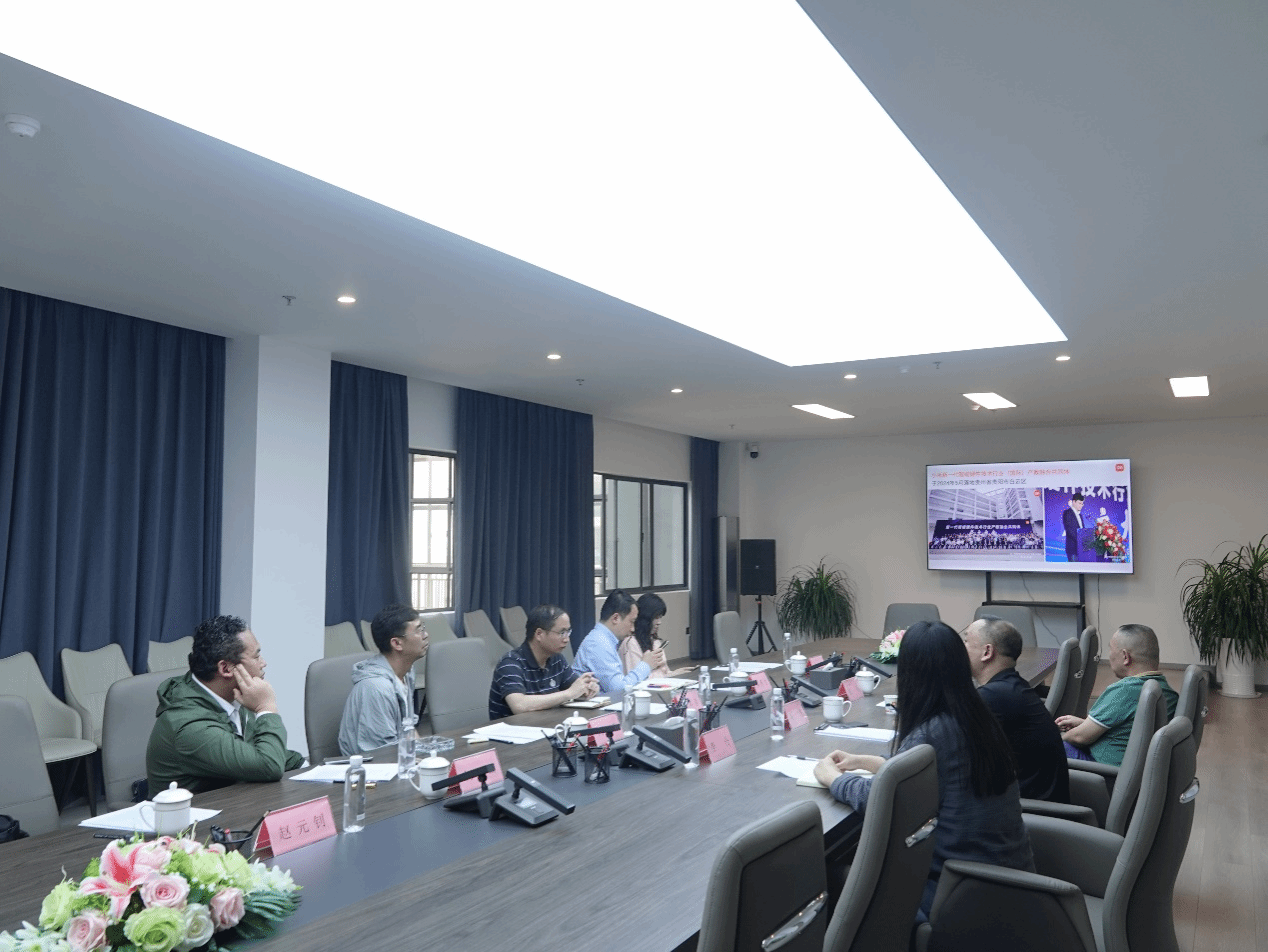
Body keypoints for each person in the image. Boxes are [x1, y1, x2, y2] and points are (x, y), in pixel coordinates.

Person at [814, 620, 1034, 921]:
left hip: (962, 894)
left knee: (830, 877)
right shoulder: (975, 714)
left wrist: (834, 779)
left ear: (910, 674)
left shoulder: (933, 732)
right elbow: (932, 773)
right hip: (1003, 880)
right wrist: (864, 761)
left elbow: (882, 798)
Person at [147, 615, 304, 794]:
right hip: (199, 812)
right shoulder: (189, 726)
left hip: (238, 803)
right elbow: (269, 765)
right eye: (256, 656)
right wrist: (266, 708)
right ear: (226, 669)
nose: (263, 663)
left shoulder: (233, 696)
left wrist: (307, 767)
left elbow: (266, 751)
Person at [962, 616, 1069, 802]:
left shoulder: (994, 697)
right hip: (1033, 802)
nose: (959, 649)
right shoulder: (1013, 687)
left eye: (966, 641)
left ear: (987, 652)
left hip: (1031, 812)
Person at [1056, 623, 1178, 766]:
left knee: (1047, 745)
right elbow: (1133, 730)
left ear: (1125, 656)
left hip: (1104, 771)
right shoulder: (1169, 693)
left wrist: (1057, 737)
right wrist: (1085, 724)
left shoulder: (1124, 690)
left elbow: (1079, 737)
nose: (1109, 655)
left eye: (1111, 649)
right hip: (1138, 769)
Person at [338, 605, 428, 755]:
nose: (425, 635)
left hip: (399, 758)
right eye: (418, 631)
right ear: (396, 643)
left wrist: (425, 756)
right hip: (376, 764)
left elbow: (409, 729)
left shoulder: (407, 673)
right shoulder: (376, 688)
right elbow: (382, 754)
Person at [488, 605, 601, 719]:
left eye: (568, 632)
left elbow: (575, 689)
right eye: (561, 633)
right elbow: (519, 705)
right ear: (539, 634)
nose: (567, 639)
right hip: (513, 728)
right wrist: (569, 694)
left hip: (546, 724)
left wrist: (587, 689)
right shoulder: (510, 663)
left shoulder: (557, 659)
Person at [573, 590, 664, 694]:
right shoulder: (598, 643)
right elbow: (618, 689)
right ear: (616, 618)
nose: (633, 629)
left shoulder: (604, 640)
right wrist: (646, 665)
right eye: (631, 622)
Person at [619, 592, 691, 679]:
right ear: (646, 618)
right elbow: (635, 680)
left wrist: (676, 673)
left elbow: (663, 673)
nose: (659, 622)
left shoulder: (655, 641)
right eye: (656, 617)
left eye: (660, 617)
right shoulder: (630, 643)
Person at [1063, 491, 1085, 561]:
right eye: (1079, 503)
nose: (1081, 505)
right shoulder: (1067, 513)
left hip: (1081, 549)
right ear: (1074, 502)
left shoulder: (1080, 515)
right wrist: (1080, 541)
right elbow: (1069, 530)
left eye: (1082, 504)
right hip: (1072, 549)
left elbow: (1083, 530)